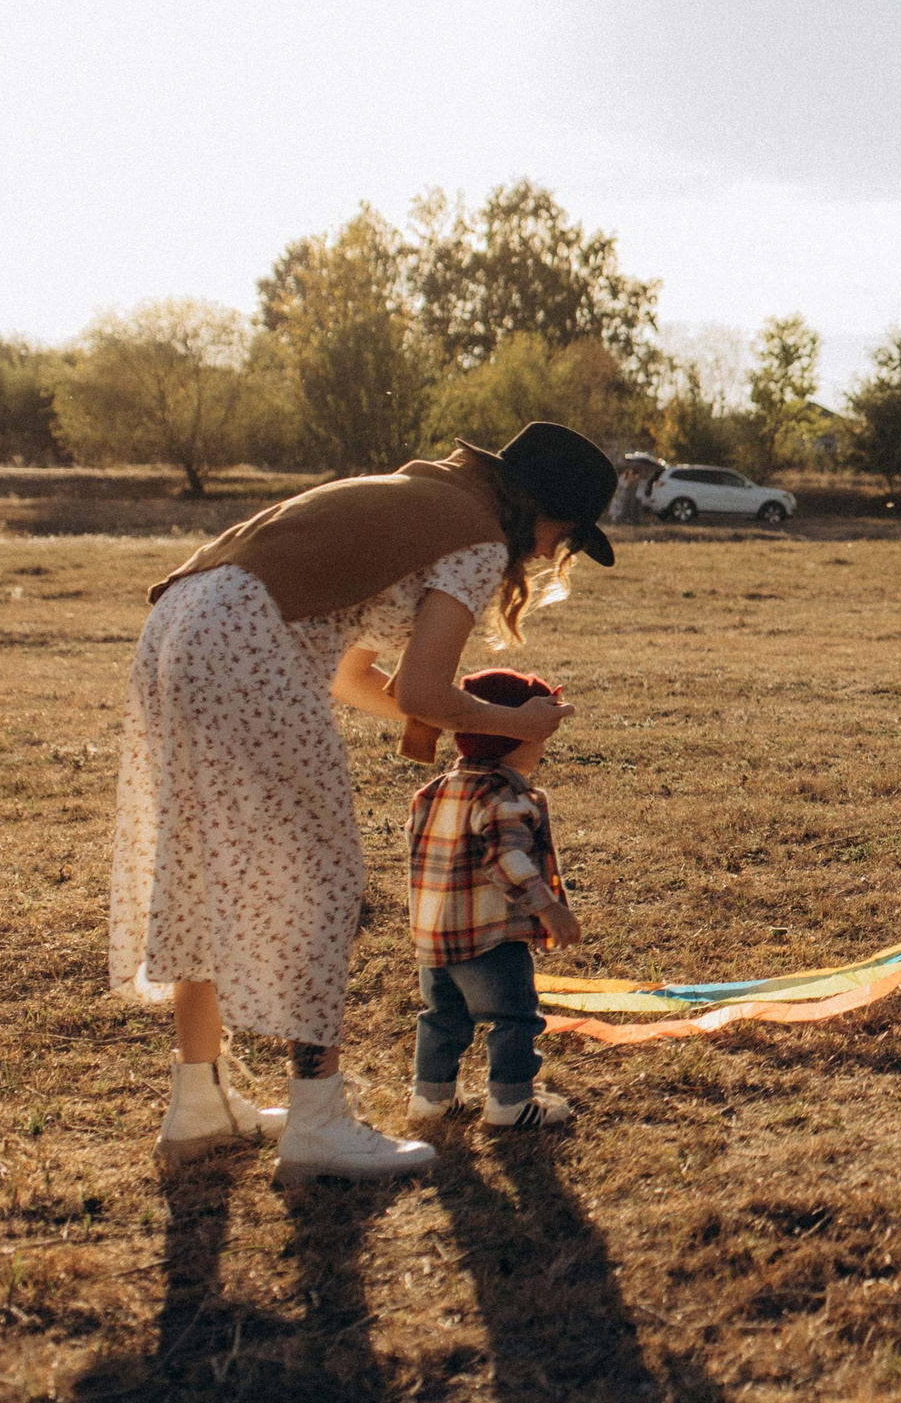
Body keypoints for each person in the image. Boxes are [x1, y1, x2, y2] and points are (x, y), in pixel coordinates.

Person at [114, 422, 617, 1181]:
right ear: (538, 510)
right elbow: (422, 690)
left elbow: (358, 681)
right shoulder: (479, 536)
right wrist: (513, 723)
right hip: (250, 638)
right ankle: (317, 1117)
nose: (552, 554)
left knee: (201, 860)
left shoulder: (427, 498)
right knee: (323, 880)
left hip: (184, 622)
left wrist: (458, 720)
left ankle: (198, 1102)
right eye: (564, 534)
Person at [403, 668, 580, 1131]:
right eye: (540, 736)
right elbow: (505, 859)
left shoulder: (434, 791)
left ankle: (431, 1097)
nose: (542, 746)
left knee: (442, 1016)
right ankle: (510, 1102)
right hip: (490, 938)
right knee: (514, 1017)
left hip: (436, 937)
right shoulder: (504, 797)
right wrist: (548, 906)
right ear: (514, 737)